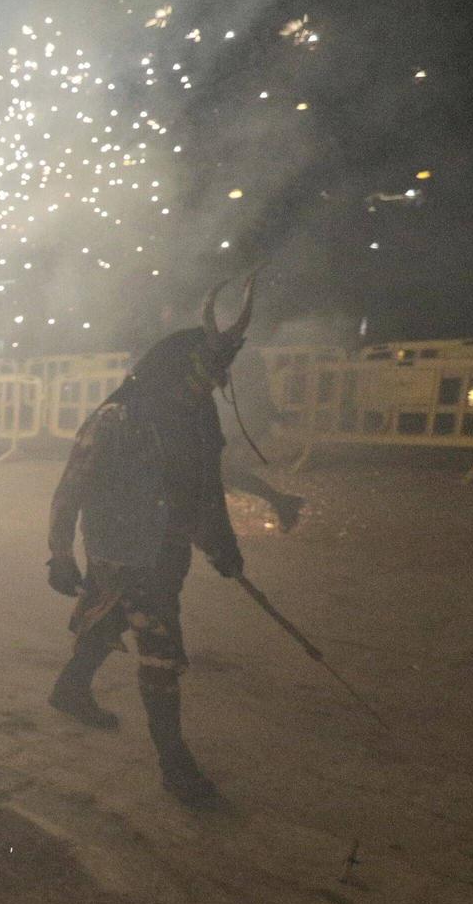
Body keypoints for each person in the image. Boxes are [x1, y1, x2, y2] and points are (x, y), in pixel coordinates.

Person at [46, 278, 257, 805]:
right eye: (199, 376)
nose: (204, 387)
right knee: (161, 647)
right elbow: (72, 483)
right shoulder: (120, 414)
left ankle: (71, 688)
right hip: (119, 547)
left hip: (167, 549)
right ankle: (174, 762)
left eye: (214, 379)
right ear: (175, 364)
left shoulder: (201, 417)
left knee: (113, 615)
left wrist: (222, 544)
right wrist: (59, 551)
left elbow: (208, 490)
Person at [216, 352, 305, 531]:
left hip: (242, 423)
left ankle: (282, 502)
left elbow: (251, 394)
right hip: (241, 422)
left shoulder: (239, 356)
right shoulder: (237, 353)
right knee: (224, 472)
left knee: (224, 471)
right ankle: (283, 503)